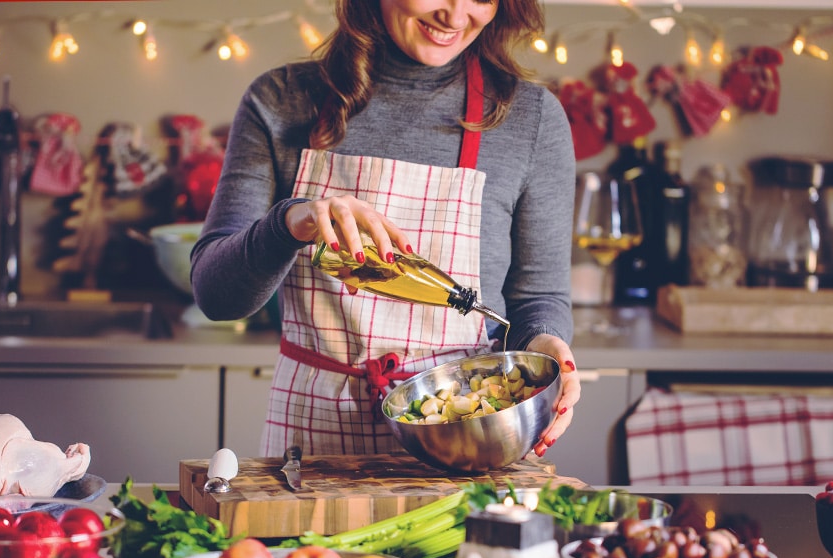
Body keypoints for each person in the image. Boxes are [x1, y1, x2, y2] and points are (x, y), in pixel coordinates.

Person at [191, 0, 581, 459]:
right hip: (312, 445)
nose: (455, 17)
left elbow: (537, 298)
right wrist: (290, 222)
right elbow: (216, 296)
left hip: (467, 436)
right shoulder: (281, 100)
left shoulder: (531, 117)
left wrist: (547, 346)